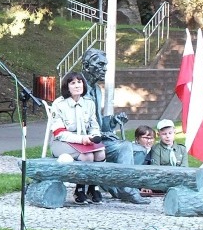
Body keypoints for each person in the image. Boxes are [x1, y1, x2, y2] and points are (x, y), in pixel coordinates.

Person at [80, 48, 148, 205]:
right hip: (83, 142)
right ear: (86, 65)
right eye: (101, 65)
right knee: (124, 147)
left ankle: (116, 188)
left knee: (140, 150)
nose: (105, 69)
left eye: (106, 65)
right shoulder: (77, 87)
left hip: (98, 140)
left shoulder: (96, 89)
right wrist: (102, 135)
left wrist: (112, 122)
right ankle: (126, 190)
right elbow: (78, 125)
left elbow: (96, 120)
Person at [49, 71, 106, 203]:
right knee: (88, 156)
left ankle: (93, 186)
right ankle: (79, 188)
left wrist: (95, 135)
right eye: (73, 83)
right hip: (62, 143)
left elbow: (94, 124)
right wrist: (81, 139)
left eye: (79, 82)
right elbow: (59, 132)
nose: (77, 86)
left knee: (101, 153)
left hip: (85, 142)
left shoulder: (89, 102)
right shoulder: (59, 104)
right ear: (67, 86)